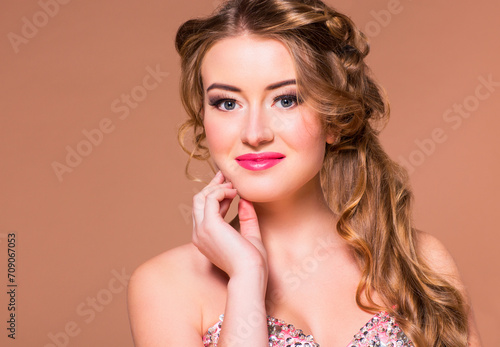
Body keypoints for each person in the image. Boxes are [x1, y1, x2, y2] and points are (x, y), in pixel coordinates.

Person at [127, 0, 481, 346]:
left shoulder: (419, 263)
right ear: (204, 120)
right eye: (228, 103)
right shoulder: (165, 287)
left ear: (334, 118)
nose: (254, 133)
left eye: (286, 99)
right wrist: (247, 278)